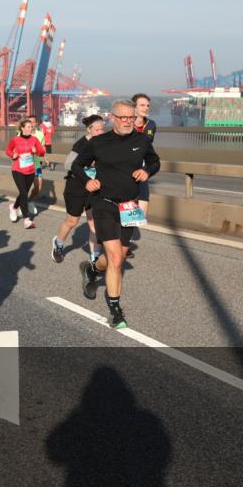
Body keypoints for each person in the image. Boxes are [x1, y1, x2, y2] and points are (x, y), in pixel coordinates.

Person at [72, 100, 160, 329]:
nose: (128, 122)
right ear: (113, 118)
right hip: (104, 204)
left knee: (117, 257)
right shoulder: (98, 142)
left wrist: (147, 171)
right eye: (123, 118)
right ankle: (115, 311)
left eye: (132, 118)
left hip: (129, 207)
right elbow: (76, 165)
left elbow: (154, 161)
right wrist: (87, 181)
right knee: (116, 259)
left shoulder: (142, 140)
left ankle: (91, 269)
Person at [51, 115, 105, 264]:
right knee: (72, 221)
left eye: (102, 129)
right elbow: (68, 164)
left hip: (94, 188)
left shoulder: (103, 144)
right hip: (76, 187)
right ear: (89, 130)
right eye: (97, 130)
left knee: (94, 223)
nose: (100, 132)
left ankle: (95, 257)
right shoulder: (81, 145)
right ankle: (58, 243)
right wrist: (89, 163)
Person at [4, 118, 46, 229]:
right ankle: (26, 219)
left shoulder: (34, 140)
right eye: (28, 127)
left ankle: (13, 207)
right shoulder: (15, 140)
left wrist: (36, 151)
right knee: (23, 193)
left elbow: (42, 153)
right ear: (22, 128)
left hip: (30, 171)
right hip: (17, 170)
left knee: (24, 193)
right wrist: (12, 155)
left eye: (31, 127)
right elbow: (8, 150)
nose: (30, 128)